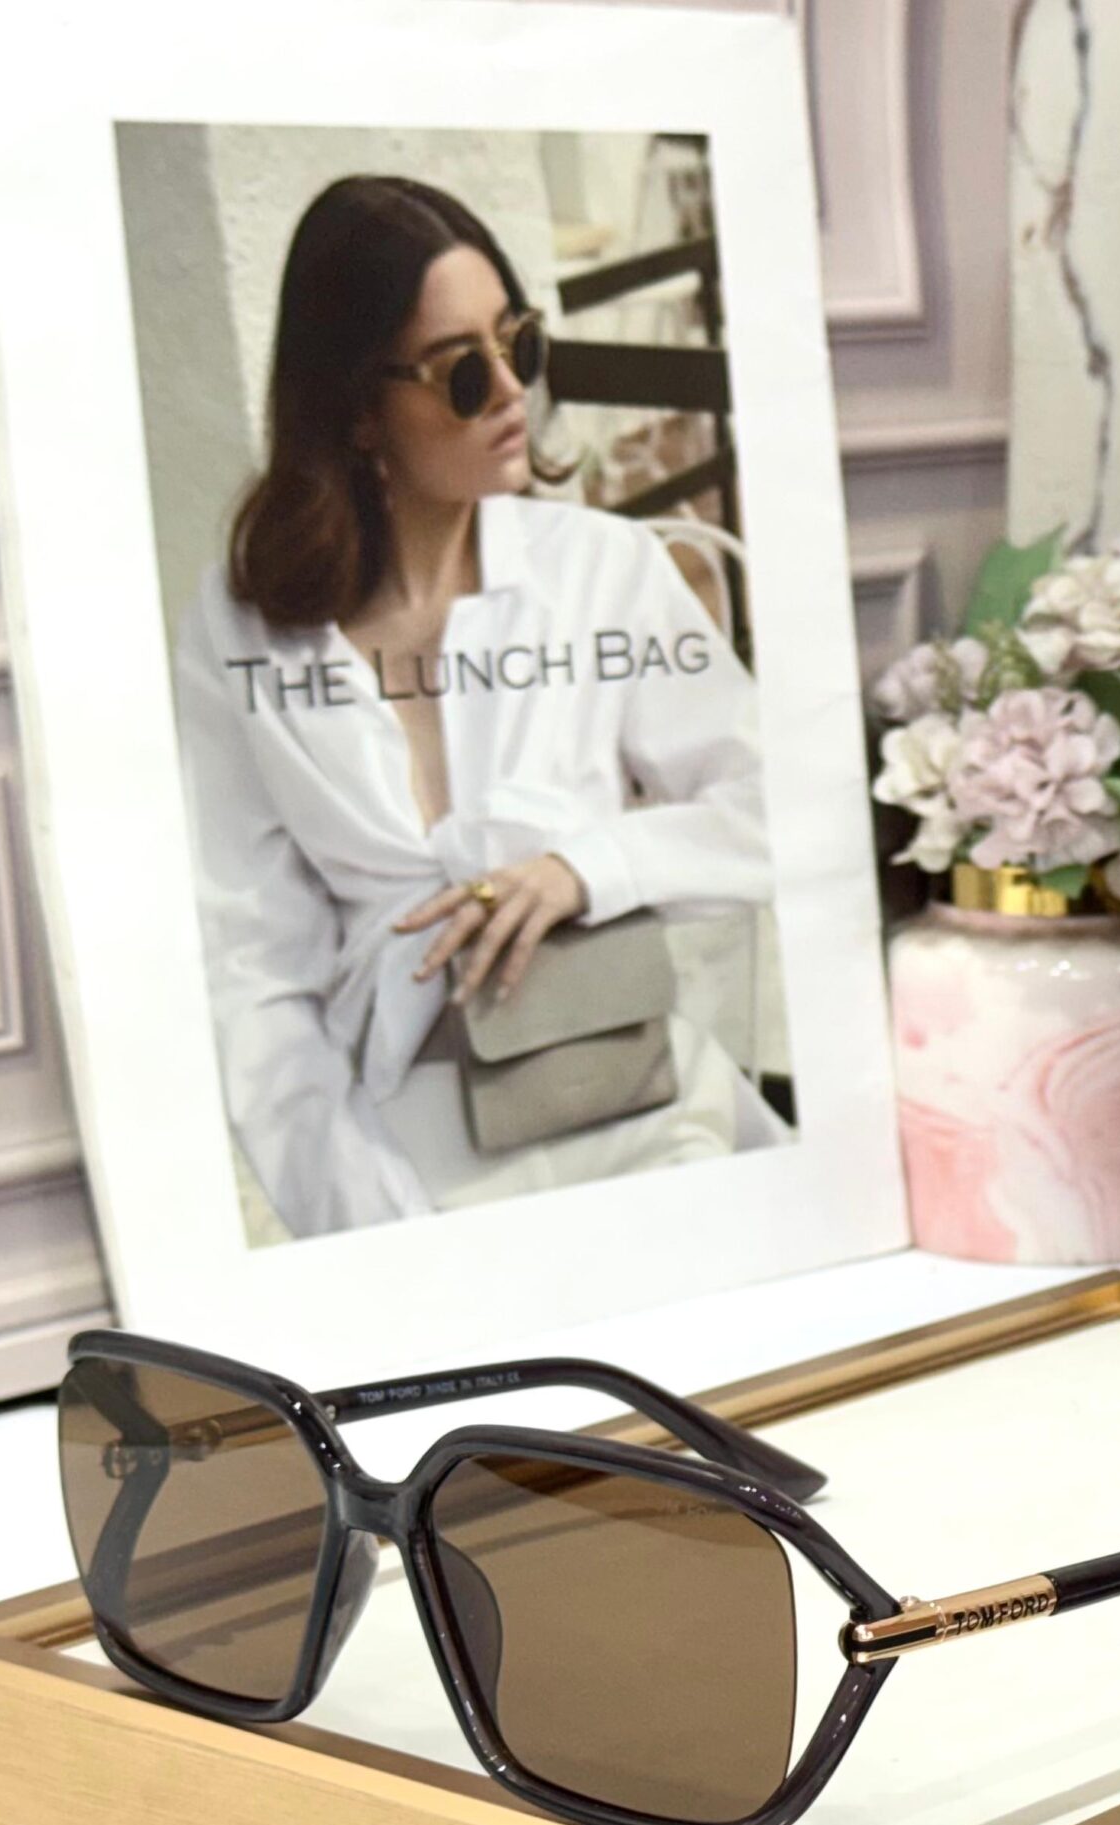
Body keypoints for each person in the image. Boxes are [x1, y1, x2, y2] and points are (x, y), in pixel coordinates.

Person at [172, 174, 783, 1241]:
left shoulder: (604, 569)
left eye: (519, 345)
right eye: (462, 371)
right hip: (408, 1145)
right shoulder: (243, 630)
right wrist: (372, 1222)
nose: (510, 392)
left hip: (631, 1093)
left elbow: (776, 806)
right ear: (357, 409)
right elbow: (251, 970)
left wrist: (584, 869)